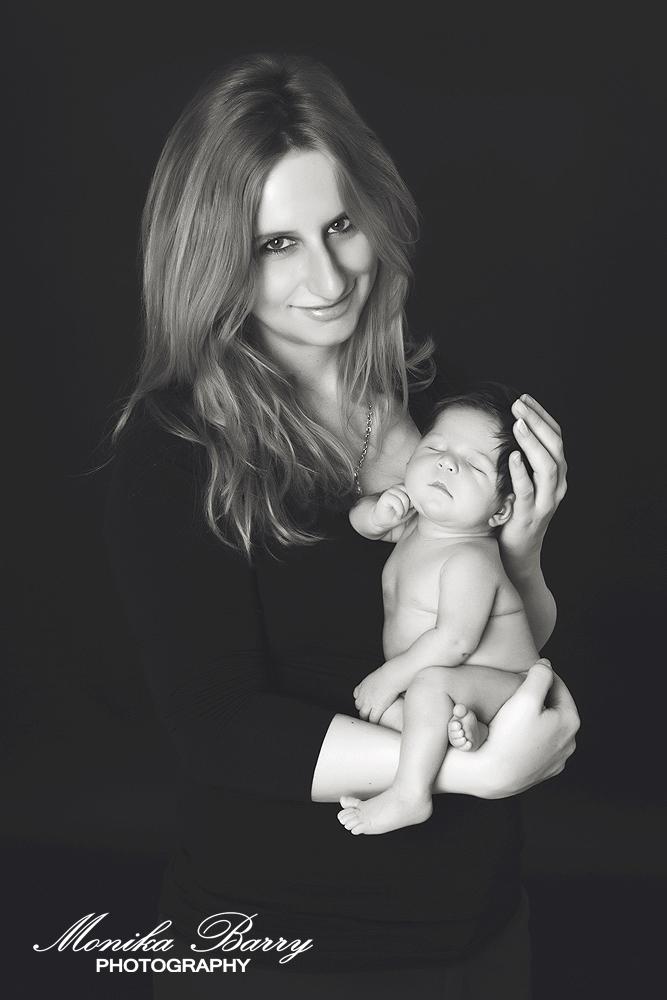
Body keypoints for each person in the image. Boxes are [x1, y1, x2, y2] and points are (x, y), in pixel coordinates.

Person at [104, 53, 578, 997]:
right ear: (211, 255)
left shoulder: (445, 405)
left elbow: (499, 636)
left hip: (479, 929)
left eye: (340, 226)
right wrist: (465, 773)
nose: (324, 277)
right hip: (283, 946)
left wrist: (521, 555)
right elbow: (215, 725)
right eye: (274, 244)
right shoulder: (176, 448)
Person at [339, 385, 541, 836]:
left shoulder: (470, 558)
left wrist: (391, 674)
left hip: (506, 685)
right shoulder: (420, 527)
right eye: (435, 448)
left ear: (500, 511)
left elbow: (455, 641)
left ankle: (411, 795)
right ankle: (467, 734)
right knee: (386, 711)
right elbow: (363, 525)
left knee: (418, 687)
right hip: (457, 686)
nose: (447, 462)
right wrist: (375, 515)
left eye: (473, 465)